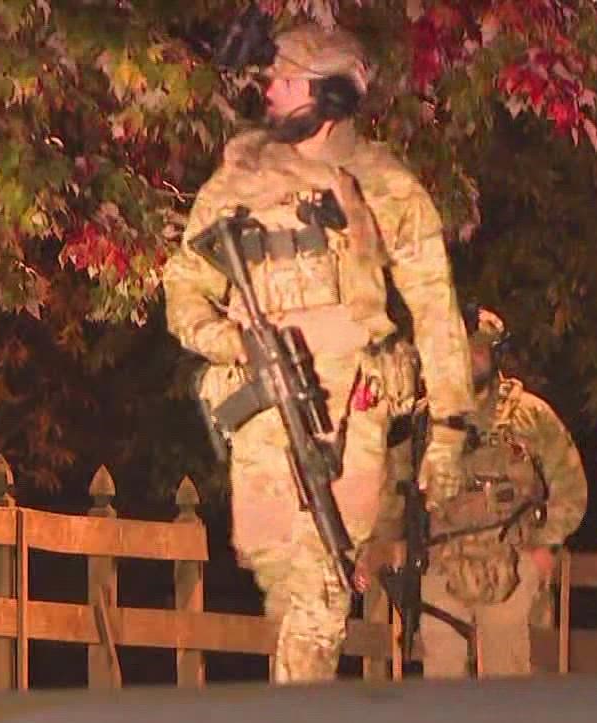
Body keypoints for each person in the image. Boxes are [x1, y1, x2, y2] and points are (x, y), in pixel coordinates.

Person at [163, 21, 473, 683]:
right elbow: (185, 286)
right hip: (263, 417)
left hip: (348, 414)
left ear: (330, 94)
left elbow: (434, 306)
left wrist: (447, 428)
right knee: (282, 587)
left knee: (325, 588)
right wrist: (232, 343)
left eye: (285, 81)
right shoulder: (240, 177)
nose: (269, 93)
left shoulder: (383, 183)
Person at [404, 306, 587, 677]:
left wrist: (543, 547)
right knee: (440, 682)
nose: (469, 360)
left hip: (510, 564)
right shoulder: (425, 418)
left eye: (479, 350)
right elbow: (395, 489)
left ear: (495, 354)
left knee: (507, 682)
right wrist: (389, 544)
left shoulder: (529, 415)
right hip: (442, 564)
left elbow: (571, 488)